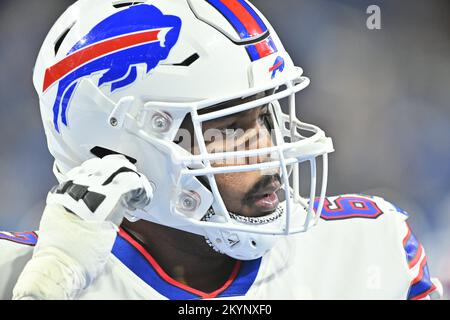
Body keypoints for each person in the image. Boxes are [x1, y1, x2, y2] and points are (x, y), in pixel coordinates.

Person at [0, 0, 442, 299]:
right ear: (122, 151)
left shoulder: (366, 249)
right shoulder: (19, 273)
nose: (268, 150)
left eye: (266, 116)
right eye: (231, 129)